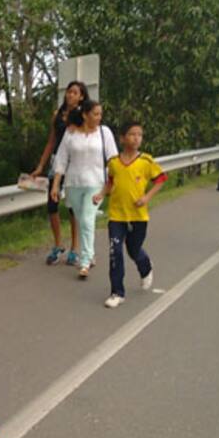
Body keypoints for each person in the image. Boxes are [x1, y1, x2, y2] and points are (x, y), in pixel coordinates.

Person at [93, 122, 167, 309]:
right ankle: (117, 292)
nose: (136, 138)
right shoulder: (114, 163)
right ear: (122, 138)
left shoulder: (146, 161)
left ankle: (145, 266)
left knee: (134, 250)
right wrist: (101, 194)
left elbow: (160, 180)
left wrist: (146, 197)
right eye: (132, 134)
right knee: (115, 252)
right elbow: (110, 182)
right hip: (117, 216)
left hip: (138, 216)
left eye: (139, 135)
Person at [50, 100, 118, 279]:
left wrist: (112, 184)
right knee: (82, 220)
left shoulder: (104, 133)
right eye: (95, 114)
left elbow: (113, 160)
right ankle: (91, 253)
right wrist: (56, 184)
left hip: (96, 183)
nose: (99, 117)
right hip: (73, 183)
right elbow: (61, 159)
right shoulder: (71, 133)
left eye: (100, 114)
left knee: (87, 219)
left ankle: (85, 261)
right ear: (85, 115)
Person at [31, 81, 86, 265]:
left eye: (74, 92)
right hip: (57, 163)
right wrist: (40, 165)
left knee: (73, 207)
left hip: (74, 165)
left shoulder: (82, 116)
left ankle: (75, 248)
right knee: (52, 205)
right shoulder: (57, 115)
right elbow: (51, 142)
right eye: (68, 92)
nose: (70, 95)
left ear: (81, 97)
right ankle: (57, 245)